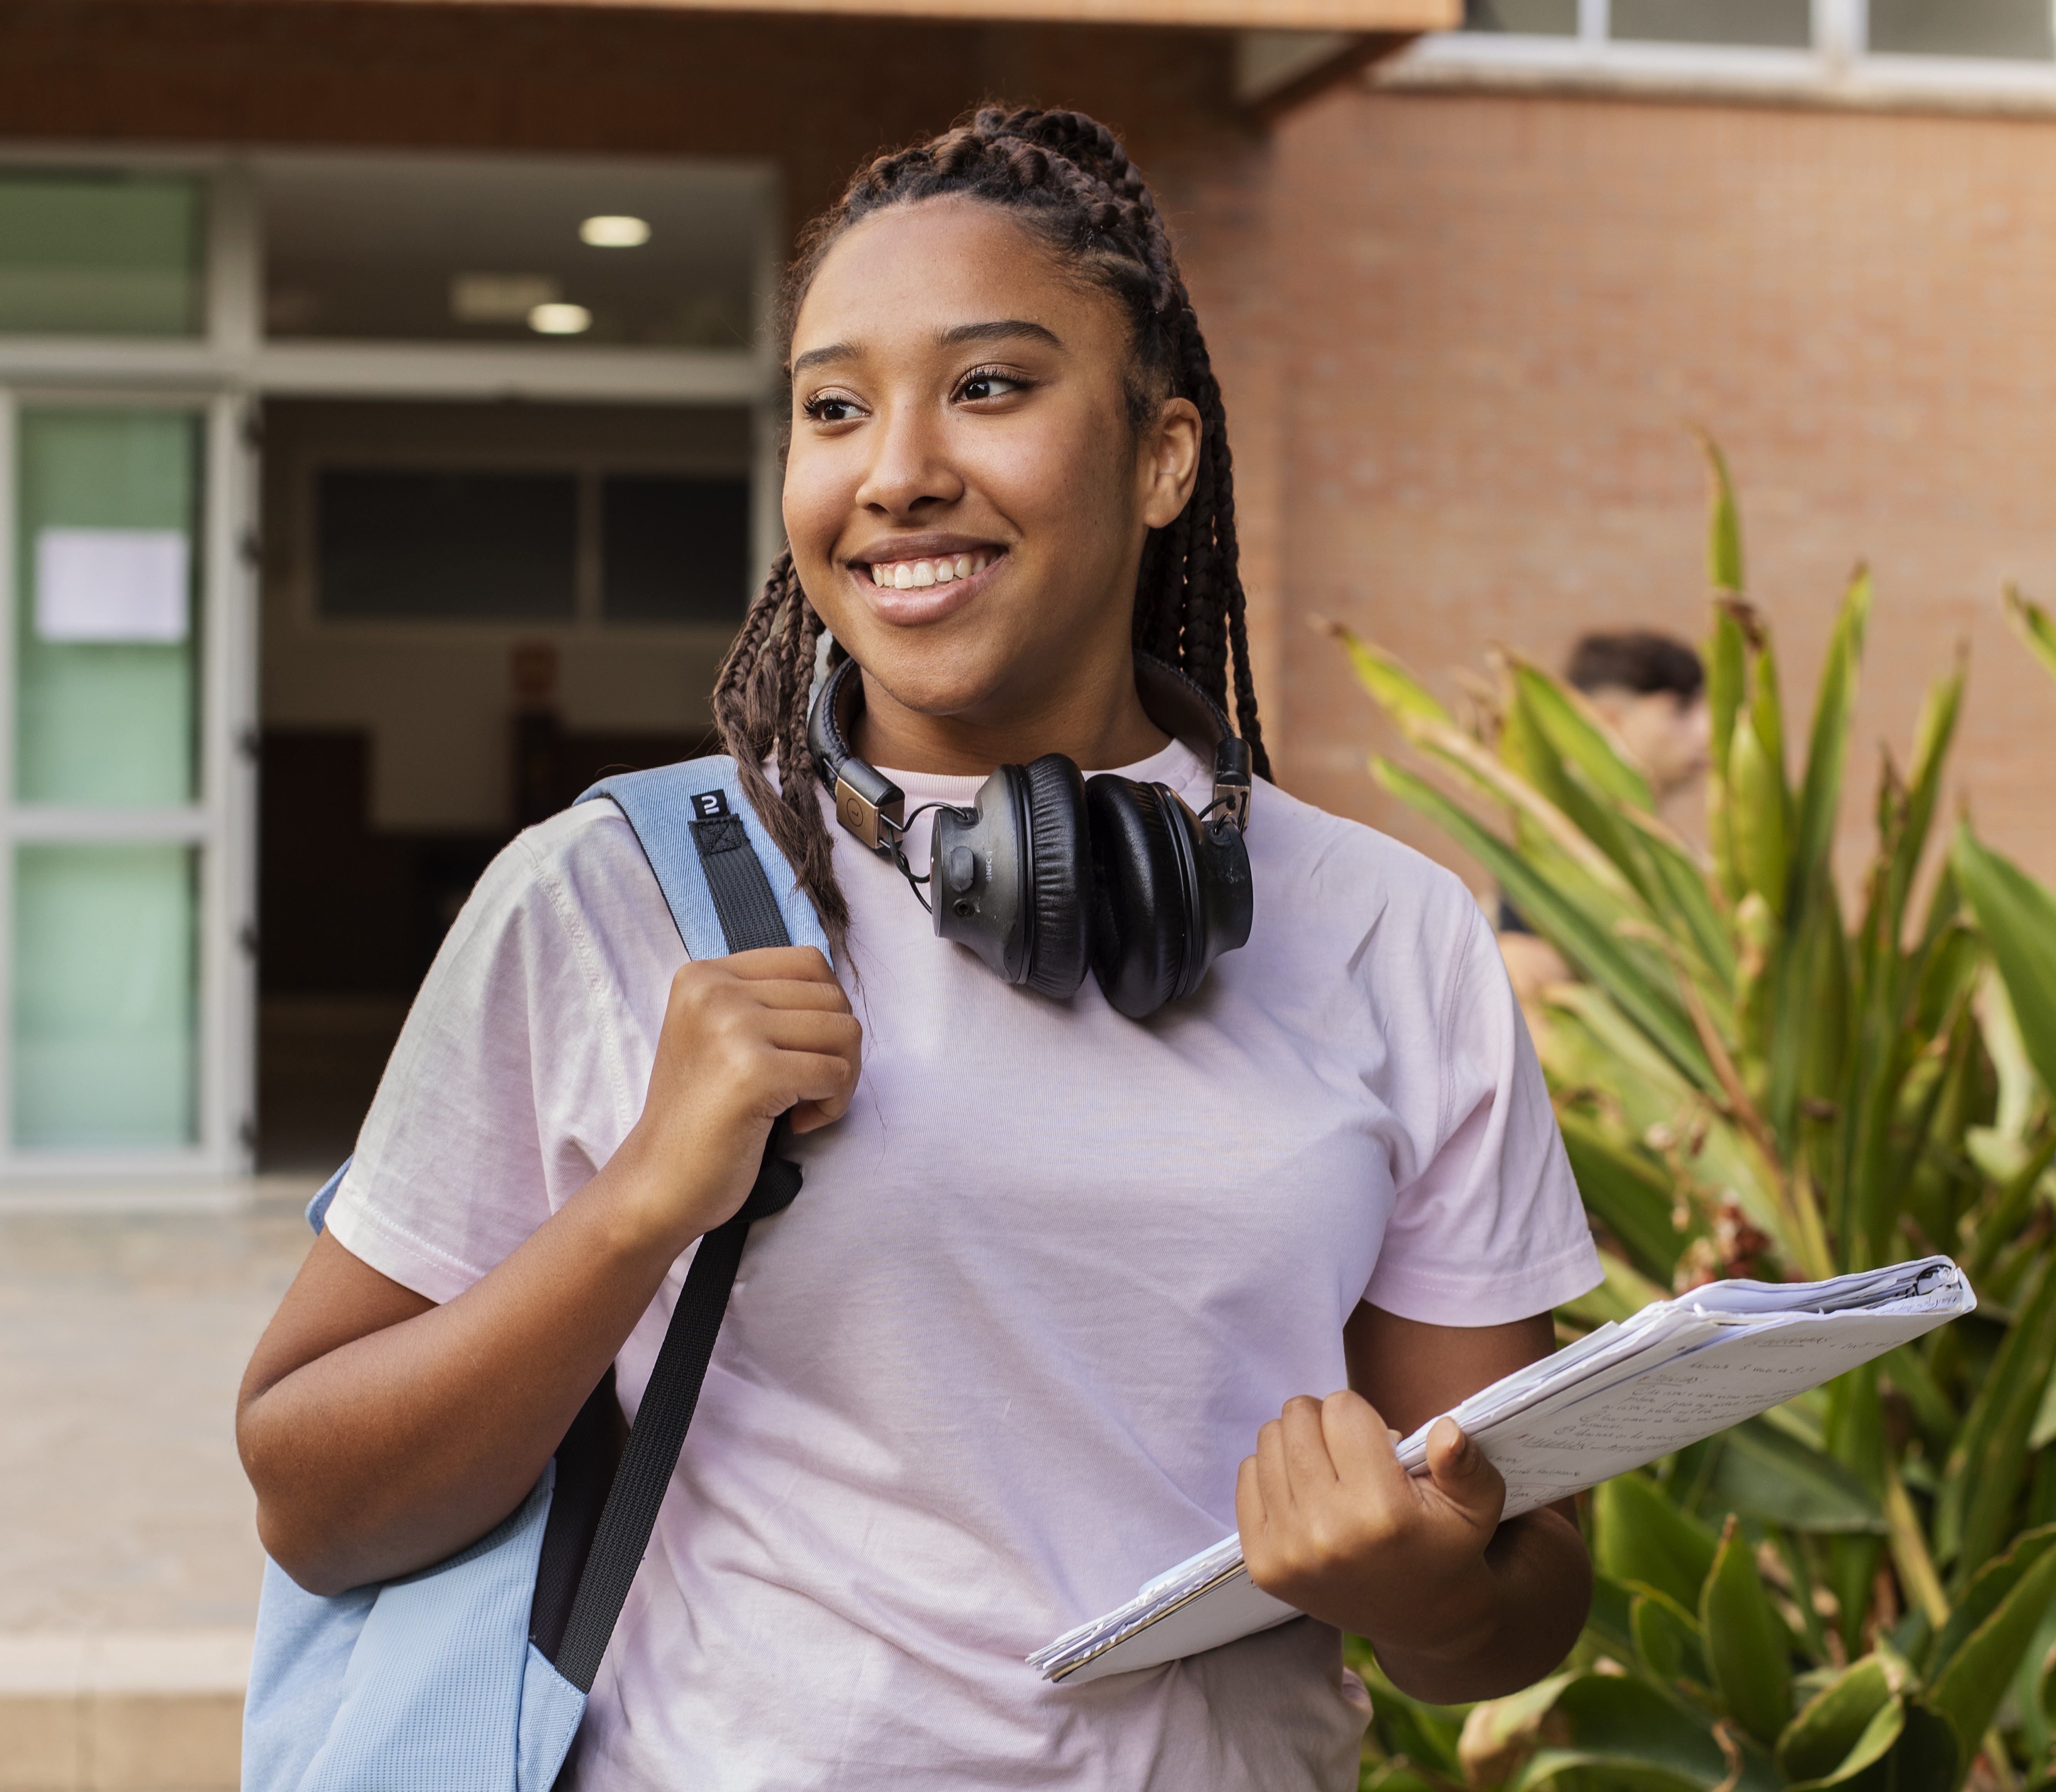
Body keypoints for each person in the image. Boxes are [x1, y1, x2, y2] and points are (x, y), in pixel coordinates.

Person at [236, 109, 1600, 1789]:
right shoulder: (608, 895)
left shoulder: (1392, 931)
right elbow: (315, 1498)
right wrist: (640, 1201)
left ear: (1162, 456)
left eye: (989, 385)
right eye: (833, 408)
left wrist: (1423, 1585)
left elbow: (1524, 1598)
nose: (893, 471)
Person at [1499, 629, 1710, 1009]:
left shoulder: (1682, 858)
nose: (1706, 730)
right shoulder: (1555, 859)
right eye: (1680, 710)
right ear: (1607, 720)